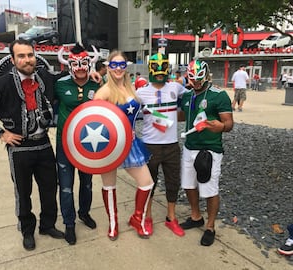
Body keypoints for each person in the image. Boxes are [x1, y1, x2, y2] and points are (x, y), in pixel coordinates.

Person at [0, 39, 66, 251]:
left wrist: (93, 74)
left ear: (35, 56)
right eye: (21, 56)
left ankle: (47, 225)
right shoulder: (2, 84)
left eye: (30, 55)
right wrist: (1, 133)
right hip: (19, 149)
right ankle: (27, 230)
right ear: (13, 59)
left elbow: (66, 77)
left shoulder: (44, 75)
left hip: (43, 144)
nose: (27, 60)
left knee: (50, 187)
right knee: (23, 192)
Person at [94, 50, 154, 240]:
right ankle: (113, 223)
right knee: (109, 185)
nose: (118, 69)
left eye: (121, 65)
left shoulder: (131, 89)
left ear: (126, 67)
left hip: (131, 142)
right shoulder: (103, 92)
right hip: (109, 145)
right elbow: (93, 120)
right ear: (108, 67)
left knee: (147, 183)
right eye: (114, 65)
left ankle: (138, 219)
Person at [178, 59, 233, 246]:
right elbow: (182, 116)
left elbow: (229, 124)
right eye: (192, 79)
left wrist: (220, 126)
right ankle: (196, 216)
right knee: (188, 184)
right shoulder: (187, 96)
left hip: (210, 149)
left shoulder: (219, 95)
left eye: (199, 79)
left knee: (209, 189)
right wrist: (159, 111)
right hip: (189, 146)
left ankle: (210, 226)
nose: (196, 82)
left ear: (207, 75)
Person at [136, 53, 187, 237]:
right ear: (150, 68)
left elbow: (193, 99)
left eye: (162, 66)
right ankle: (147, 217)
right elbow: (126, 109)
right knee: (149, 183)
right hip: (150, 146)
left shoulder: (176, 87)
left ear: (168, 67)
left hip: (172, 145)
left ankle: (171, 217)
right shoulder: (140, 93)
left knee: (173, 182)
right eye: (155, 67)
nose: (159, 71)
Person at [55, 43, 100, 245]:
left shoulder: (96, 84)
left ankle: (84, 213)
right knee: (65, 187)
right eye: (76, 64)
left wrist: (101, 78)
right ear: (69, 65)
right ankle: (69, 223)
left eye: (84, 64)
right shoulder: (60, 83)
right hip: (65, 144)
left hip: (88, 144)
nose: (80, 68)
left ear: (89, 64)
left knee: (87, 183)